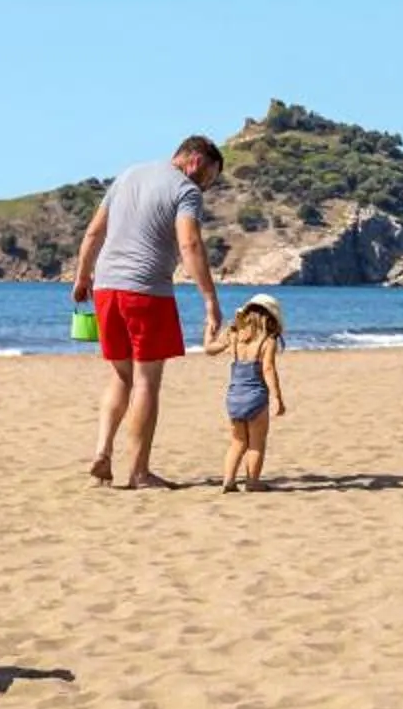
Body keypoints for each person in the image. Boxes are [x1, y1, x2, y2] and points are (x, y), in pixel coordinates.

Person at [70, 134, 226, 489]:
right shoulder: (186, 190)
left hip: (107, 288)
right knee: (146, 381)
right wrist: (209, 300)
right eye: (210, 177)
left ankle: (102, 451)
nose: (208, 186)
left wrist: (83, 277)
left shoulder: (127, 175)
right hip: (146, 292)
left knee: (121, 376)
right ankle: (139, 472)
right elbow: (189, 243)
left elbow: (94, 232)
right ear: (195, 161)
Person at [203, 293, 289, 491]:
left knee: (237, 442)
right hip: (256, 398)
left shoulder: (234, 335)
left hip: (234, 397)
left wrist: (209, 329)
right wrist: (278, 398)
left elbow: (209, 349)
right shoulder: (268, 340)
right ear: (270, 318)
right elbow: (268, 369)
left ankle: (229, 481)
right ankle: (252, 482)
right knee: (256, 443)